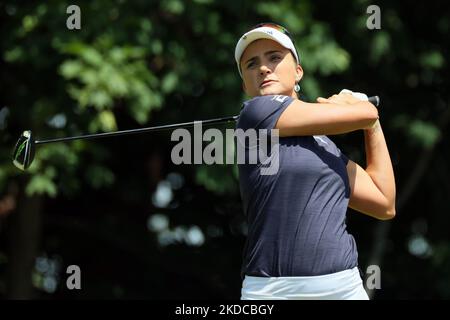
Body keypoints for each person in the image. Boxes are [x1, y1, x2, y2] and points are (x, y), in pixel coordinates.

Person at [234, 23, 396, 300]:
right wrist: (357, 108)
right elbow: (366, 111)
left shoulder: (323, 145)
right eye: (252, 64)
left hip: (344, 287)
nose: (263, 68)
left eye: (274, 57)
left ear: (298, 71)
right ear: (245, 84)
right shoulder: (255, 114)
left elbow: (384, 203)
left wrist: (372, 127)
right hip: (273, 292)